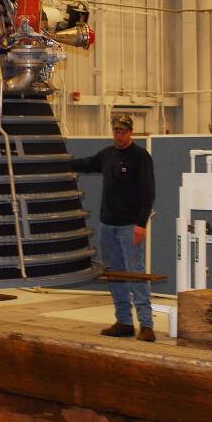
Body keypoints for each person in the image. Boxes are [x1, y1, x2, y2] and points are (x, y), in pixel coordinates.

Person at [71, 113, 156, 342]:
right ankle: (124, 321)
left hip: (130, 226)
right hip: (107, 224)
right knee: (115, 274)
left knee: (135, 274)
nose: (118, 135)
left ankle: (146, 324)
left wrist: (141, 223)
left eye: (123, 131)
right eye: (116, 131)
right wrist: (59, 160)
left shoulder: (140, 157)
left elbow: (148, 193)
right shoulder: (107, 155)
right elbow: (85, 164)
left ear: (130, 132)